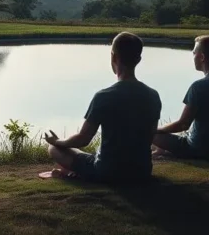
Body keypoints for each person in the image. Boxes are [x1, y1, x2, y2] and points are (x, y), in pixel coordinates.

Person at [41, 32, 162, 183]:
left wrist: (57, 142)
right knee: (94, 153)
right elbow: (150, 136)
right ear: (138, 59)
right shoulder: (153, 95)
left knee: (53, 150)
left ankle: (72, 172)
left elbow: (83, 139)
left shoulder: (104, 96)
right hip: (142, 171)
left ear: (113, 57)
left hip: (107, 171)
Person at [153, 35, 209, 159]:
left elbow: (183, 125)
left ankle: (166, 153)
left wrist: (156, 129)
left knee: (150, 133)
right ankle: (163, 152)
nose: (193, 56)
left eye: (194, 53)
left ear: (202, 57)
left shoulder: (198, 86)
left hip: (199, 149)